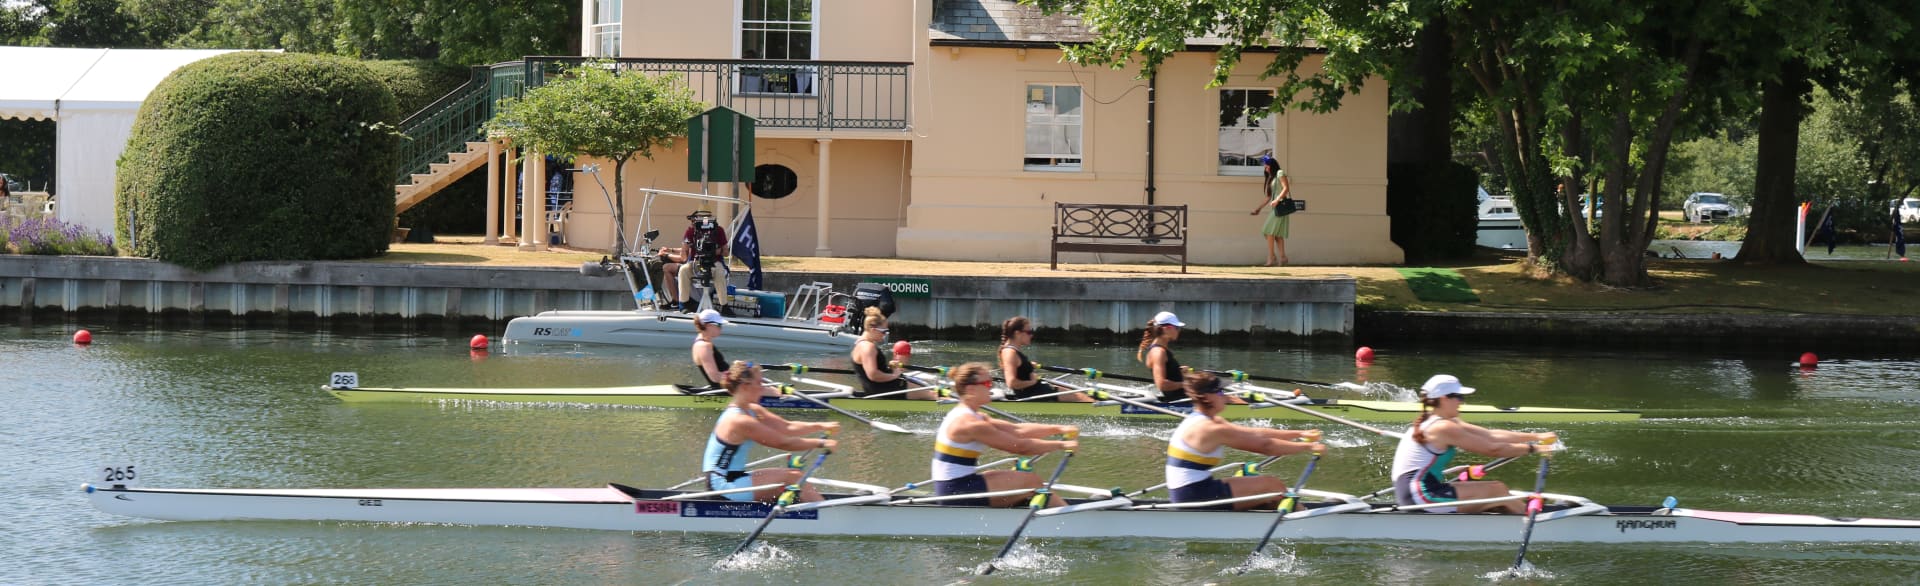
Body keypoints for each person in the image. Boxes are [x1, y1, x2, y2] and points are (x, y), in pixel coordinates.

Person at [1390, 374, 1558, 514]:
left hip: (1418, 492)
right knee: (1497, 491)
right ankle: (1539, 522)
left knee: (1498, 489)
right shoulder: (1443, 427)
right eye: (1459, 397)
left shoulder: (1441, 421)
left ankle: (1519, 511)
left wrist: (1537, 436)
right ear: (1444, 399)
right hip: (1421, 497)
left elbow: (1492, 435)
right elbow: (1492, 449)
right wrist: (1534, 448)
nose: (1462, 402)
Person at [1166, 372, 1326, 510]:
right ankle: (1305, 524)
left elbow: (1256, 433)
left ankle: (1278, 513)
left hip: (1192, 489)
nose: (1225, 396)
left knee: (1266, 489)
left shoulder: (1207, 420)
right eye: (1220, 392)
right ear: (1208, 397)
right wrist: (1308, 446)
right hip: (1193, 495)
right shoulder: (1210, 428)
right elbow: (1266, 447)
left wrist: (1299, 433)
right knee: (1273, 485)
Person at [932, 362, 1079, 507]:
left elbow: (1017, 430)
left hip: (961, 484)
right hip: (955, 491)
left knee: (1018, 479)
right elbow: (1020, 447)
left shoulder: (976, 416)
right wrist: (1061, 445)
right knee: (1031, 481)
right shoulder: (970, 423)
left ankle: (1058, 513)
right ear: (971, 389)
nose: (992, 387)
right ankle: (1070, 522)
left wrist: (1059, 429)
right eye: (988, 384)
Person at [703, 361, 841, 502]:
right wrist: (822, 443)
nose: (763, 388)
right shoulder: (738, 420)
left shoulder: (752, 410)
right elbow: (784, 443)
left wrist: (821, 426)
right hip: (722, 486)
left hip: (735, 479)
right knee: (794, 477)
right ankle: (827, 517)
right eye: (759, 383)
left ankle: (810, 513)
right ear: (745, 386)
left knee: (792, 478)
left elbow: (787, 427)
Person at [998, 316, 1092, 402]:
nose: (1031, 335)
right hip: (1034, 393)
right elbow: (1012, 383)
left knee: (1079, 394)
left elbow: (1018, 368)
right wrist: (1032, 381)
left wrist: (1026, 364)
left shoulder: (1011, 351)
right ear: (1017, 333)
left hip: (1038, 390)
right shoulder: (1010, 353)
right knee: (1084, 399)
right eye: (1029, 332)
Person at [657, 211, 731, 313]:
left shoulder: (718, 230)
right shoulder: (691, 231)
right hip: (696, 262)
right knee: (683, 270)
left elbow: (726, 252)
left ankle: (724, 305)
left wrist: (717, 251)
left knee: (719, 272)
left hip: (714, 261)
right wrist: (679, 247)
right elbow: (685, 253)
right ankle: (683, 304)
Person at [851, 307, 931, 399]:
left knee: (925, 389)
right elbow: (873, 375)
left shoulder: (859, 343)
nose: (885, 334)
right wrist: (894, 375)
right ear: (873, 329)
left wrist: (888, 367)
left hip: (877, 389)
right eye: (884, 331)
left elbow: (871, 370)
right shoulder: (868, 347)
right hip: (884, 390)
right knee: (933, 395)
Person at [1249, 155, 1292, 267]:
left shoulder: (1280, 173)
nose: (1265, 168)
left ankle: (1271, 256)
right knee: (1276, 234)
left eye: (1267, 165)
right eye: (1265, 166)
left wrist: (1277, 199)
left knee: (1267, 231)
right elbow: (1268, 197)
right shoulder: (1272, 177)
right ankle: (1282, 257)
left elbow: (1286, 188)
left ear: (1272, 165)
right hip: (1275, 207)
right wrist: (1258, 209)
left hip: (1280, 206)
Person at [1137, 311, 1189, 403]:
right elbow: (1162, 384)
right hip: (1178, 400)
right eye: (1177, 327)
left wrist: (1178, 371)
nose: (1179, 330)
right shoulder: (1158, 352)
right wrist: (1186, 384)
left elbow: (1168, 373)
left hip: (1183, 396)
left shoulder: (1162, 350)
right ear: (1166, 328)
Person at [691, 309, 729, 387]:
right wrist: (740, 377)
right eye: (719, 325)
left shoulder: (703, 342)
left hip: (727, 386)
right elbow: (715, 377)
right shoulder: (703, 346)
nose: (721, 328)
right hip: (724, 390)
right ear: (708, 325)